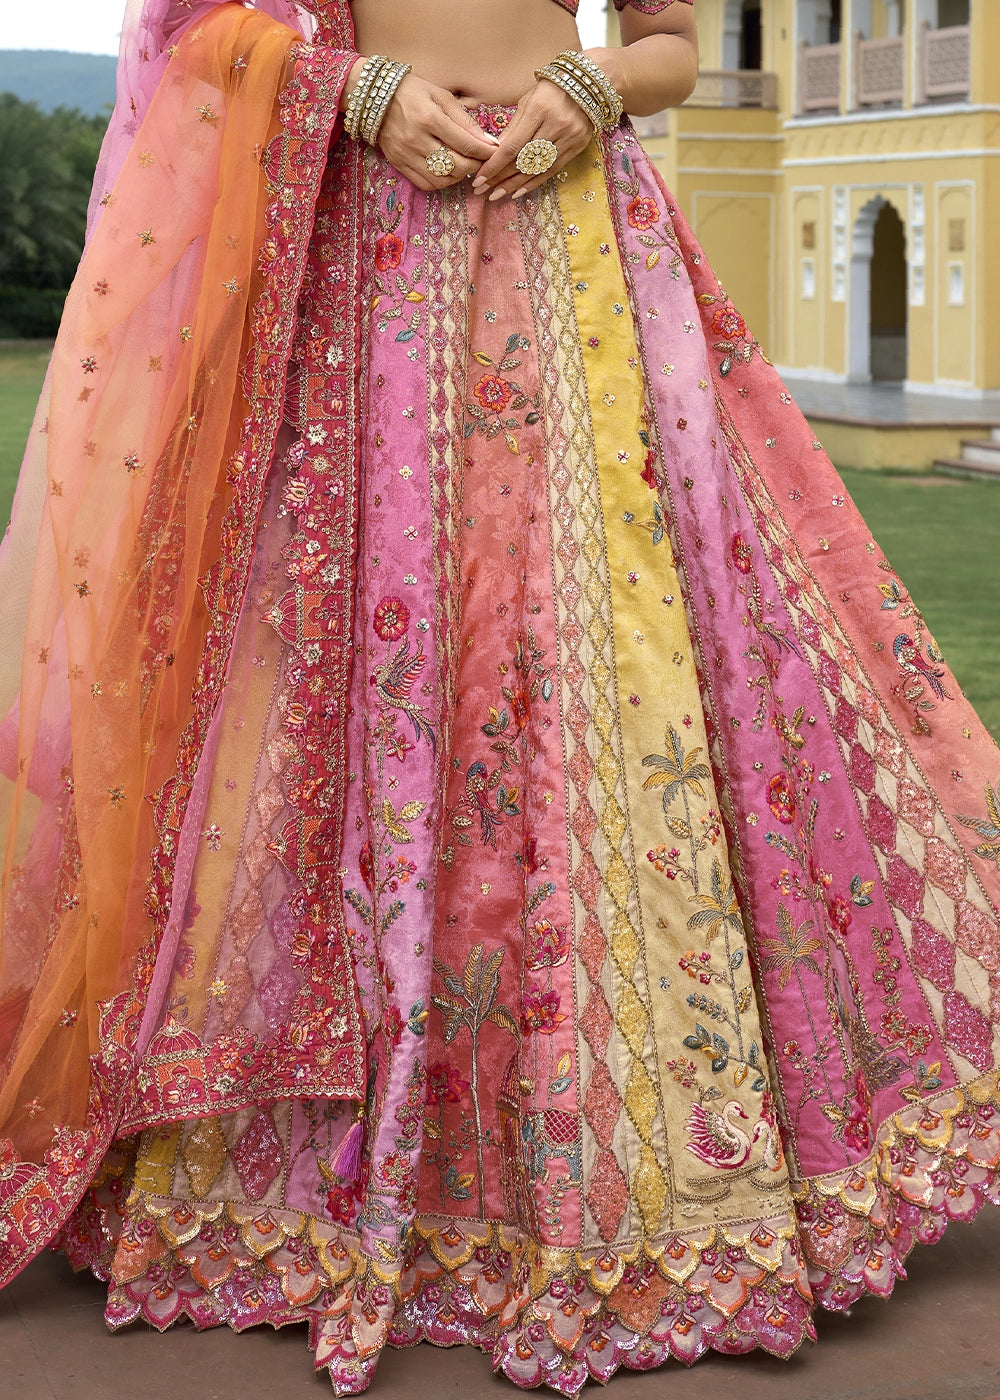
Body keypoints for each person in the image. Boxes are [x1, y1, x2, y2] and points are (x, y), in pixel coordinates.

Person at [0, 0, 998, 1391]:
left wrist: (591, 90)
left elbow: (670, 42)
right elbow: (195, 32)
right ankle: (299, 1174)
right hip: (358, 263)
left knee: (625, 667)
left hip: (576, 242)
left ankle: (642, 1171)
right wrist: (348, 90)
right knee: (334, 675)